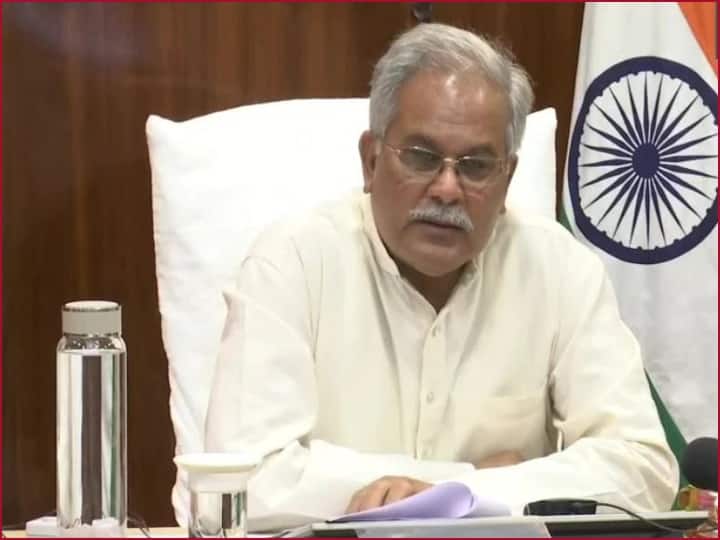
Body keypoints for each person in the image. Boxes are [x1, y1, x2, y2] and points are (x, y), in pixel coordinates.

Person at [204, 22, 678, 531]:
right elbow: (232, 487)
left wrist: (459, 492)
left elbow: (644, 467)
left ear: (507, 180)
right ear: (370, 161)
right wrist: (463, 484)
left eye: (476, 166)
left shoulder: (560, 270)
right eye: (422, 157)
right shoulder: (292, 262)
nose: (448, 189)